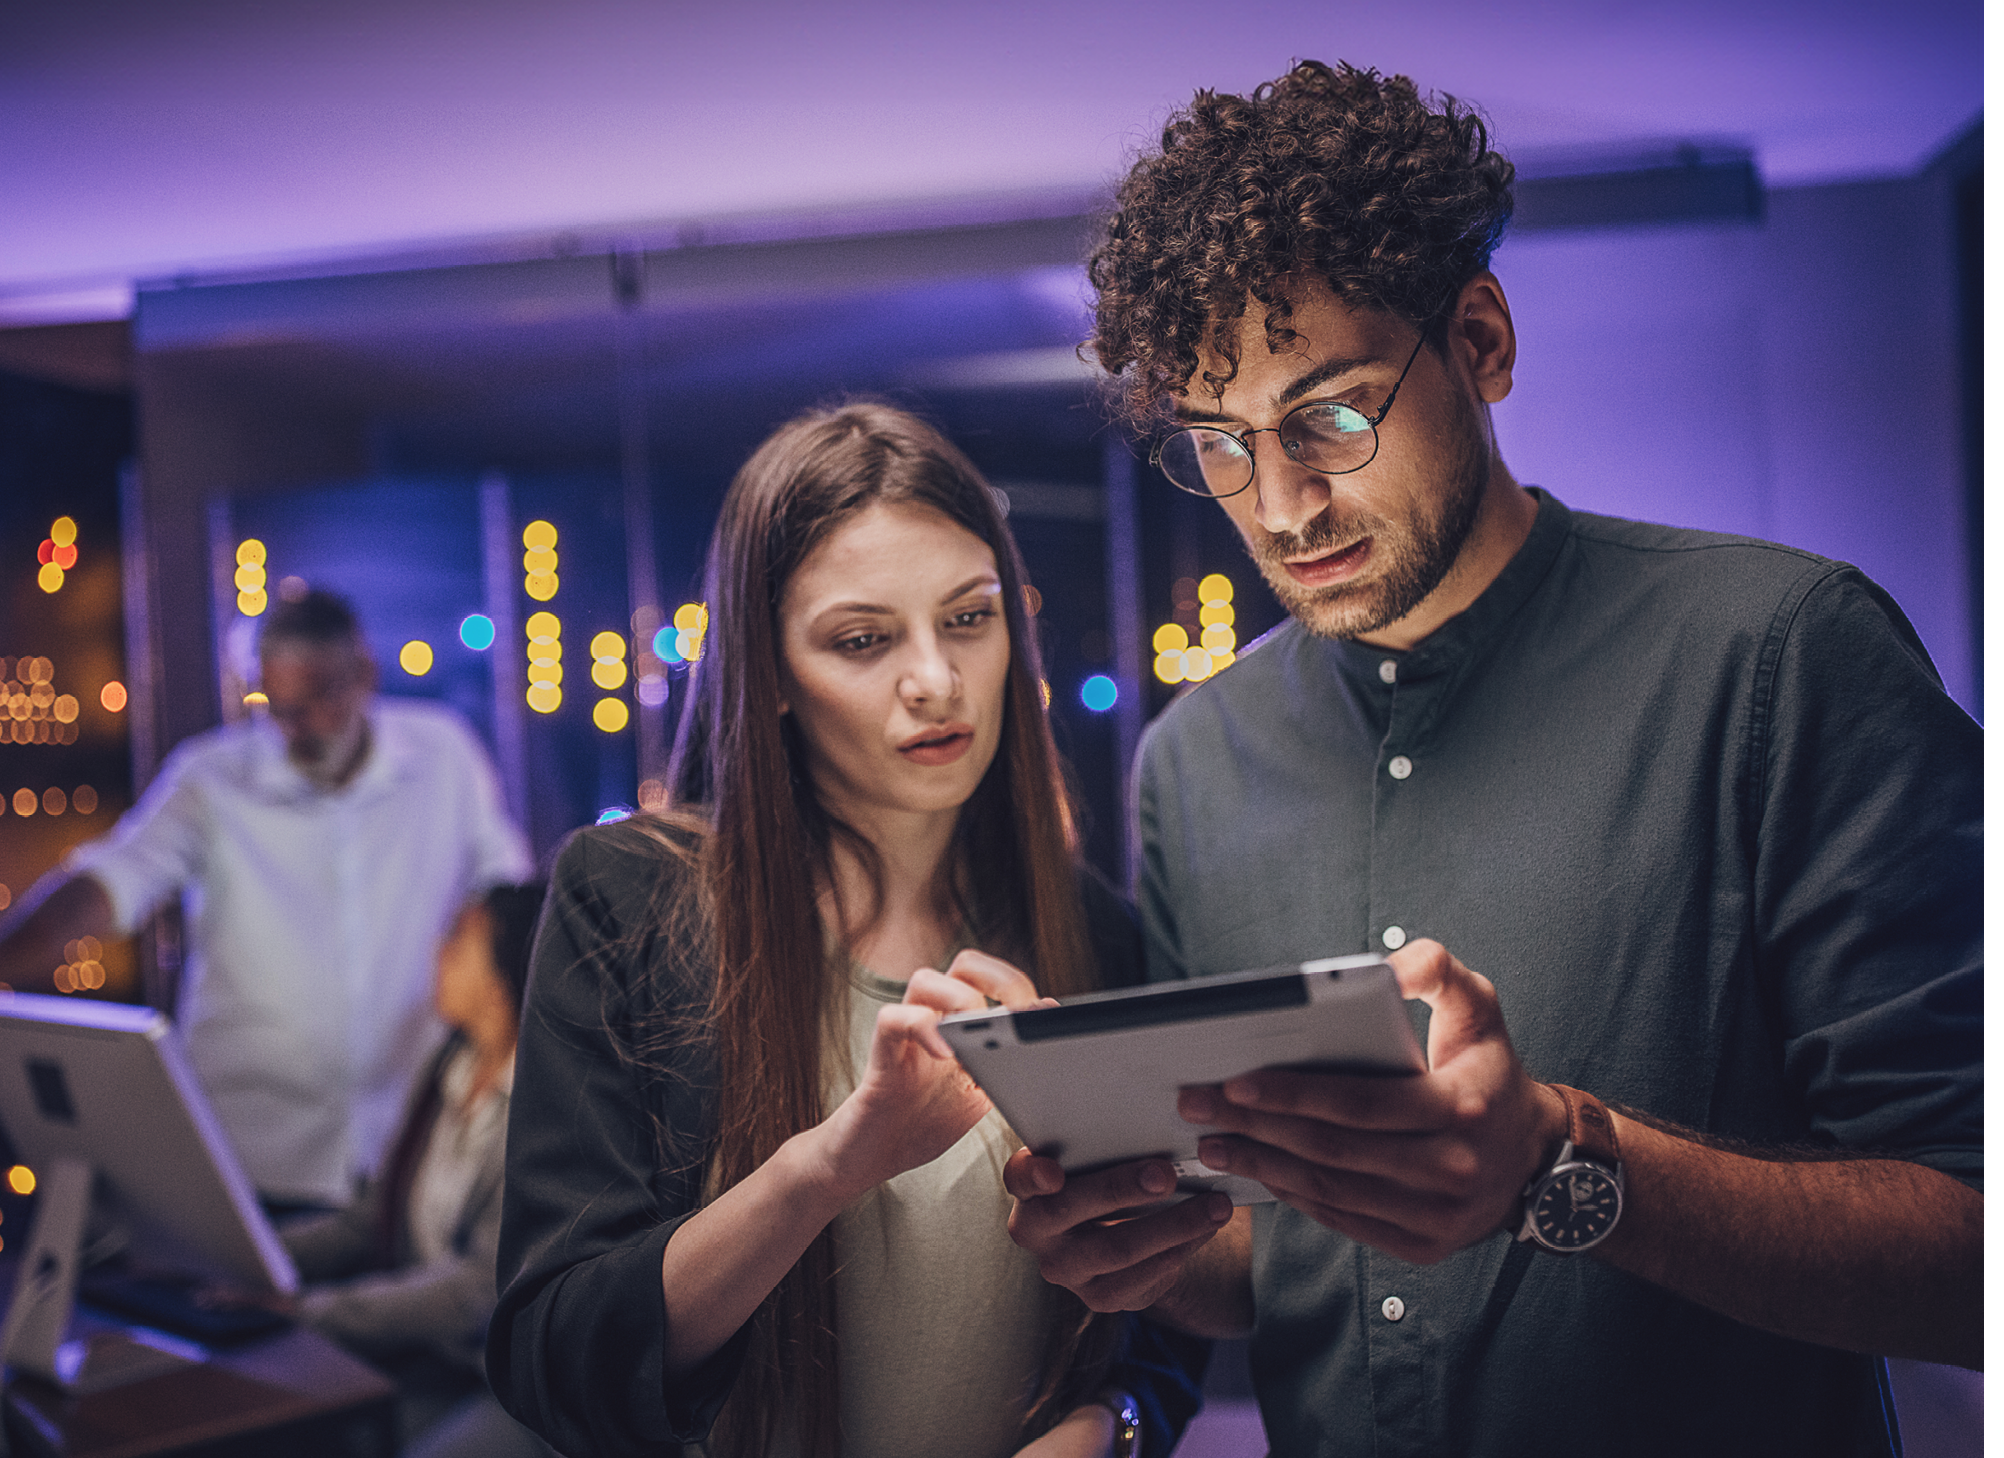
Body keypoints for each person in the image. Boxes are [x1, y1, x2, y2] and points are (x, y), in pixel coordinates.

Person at [1002, 61, 1981, 1457]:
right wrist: (1144, 1242)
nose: (1281, 505)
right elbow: (1257, 1256)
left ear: (1481, 340)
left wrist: (1564, 1159)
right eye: (1220, 446)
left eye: (1329, 414)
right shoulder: (1194, 761)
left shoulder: (1783, 656)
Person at [489, 402, 1206, 1458]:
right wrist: (827, 1166)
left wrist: (1108, 1427)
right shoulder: (632, 900)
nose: (935, 678)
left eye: (969, 618)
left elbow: (1165, 1305)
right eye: (864, 640)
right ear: (770, 672)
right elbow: (557, 1357)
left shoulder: (1087, 926)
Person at [0, 589, 532, 1208]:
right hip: (252, 1157)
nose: (294, 730)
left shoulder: (444, 754)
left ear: (364, 675)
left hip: (407, 1151)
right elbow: (112, 882)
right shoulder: (210, 777)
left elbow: (504, 895)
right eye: (276, 707)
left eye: (315, 702)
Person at [281, 881, 552, 1458]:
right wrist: (259, 1256)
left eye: (459, 938)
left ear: (508, 964)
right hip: (433, 1362)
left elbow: (480, 1289)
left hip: (510, 1384)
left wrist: (310, 1312)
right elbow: (370, 1218)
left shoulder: (544, 1100)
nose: (439, 951)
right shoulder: (447, 1068)